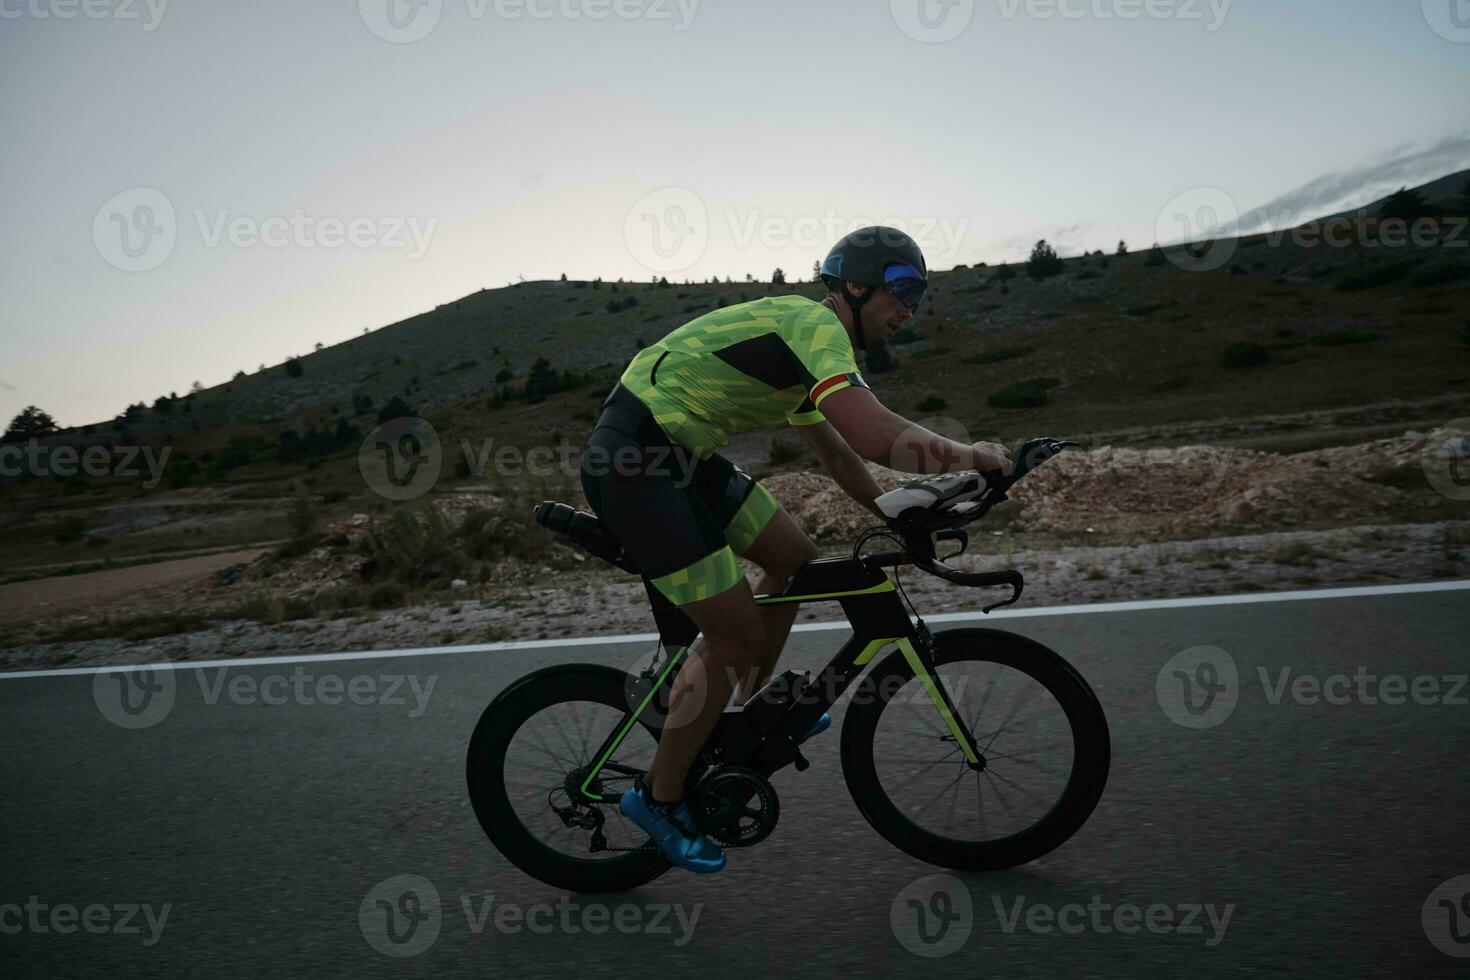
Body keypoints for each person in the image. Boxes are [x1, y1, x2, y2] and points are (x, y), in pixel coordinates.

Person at [579, 227, 1012, 874]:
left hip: (682, 456)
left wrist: (892, 511)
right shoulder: (814, 325)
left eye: (918, 298)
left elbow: (838, 450)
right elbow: (872, 434)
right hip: (636, 457)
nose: (908, 311)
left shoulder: (810, 353)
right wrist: (974, 457)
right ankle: (658, 797)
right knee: (733, 632)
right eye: (902, 290)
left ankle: (740, 721)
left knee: (795, 562)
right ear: (856, 286)